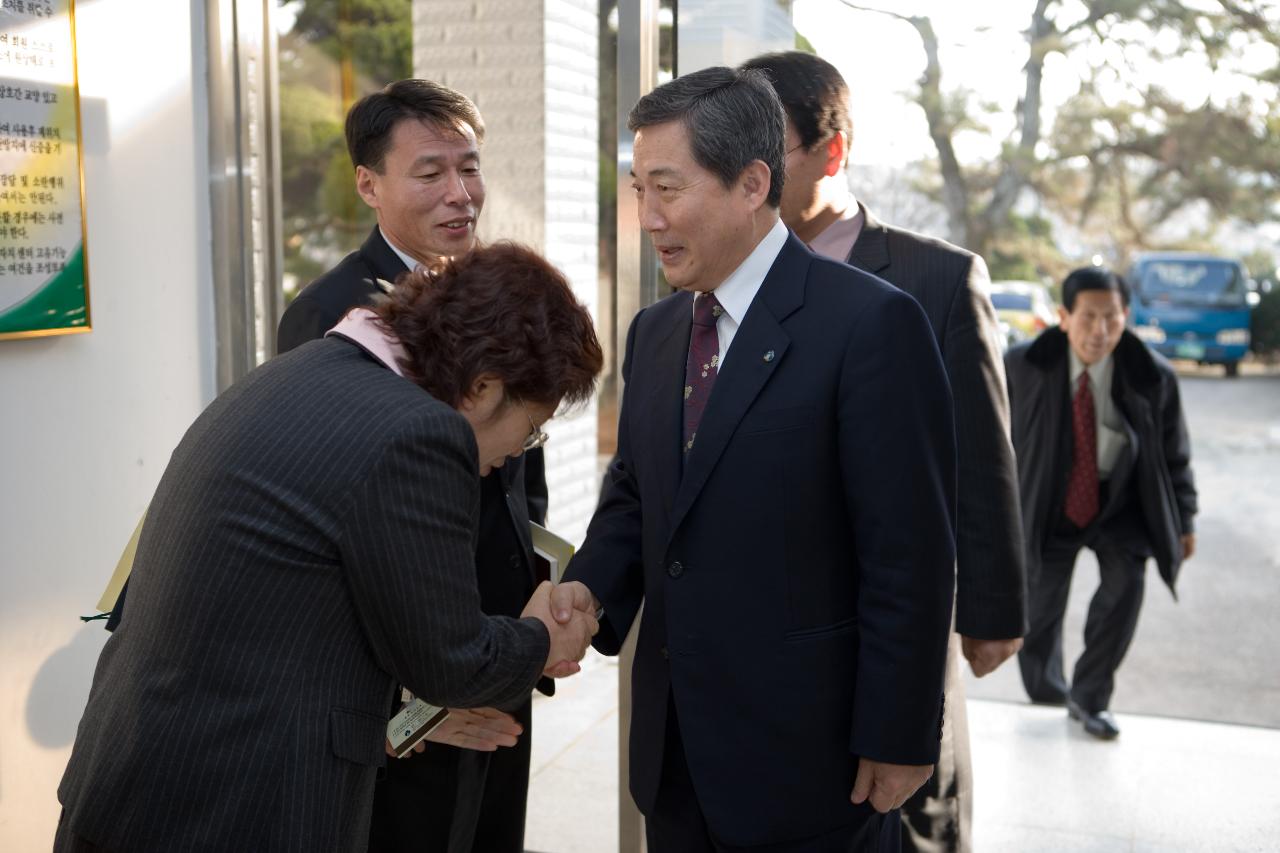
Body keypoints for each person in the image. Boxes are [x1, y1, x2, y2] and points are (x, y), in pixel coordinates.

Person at [54, 243, 604, 853]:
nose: (514, 455)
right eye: (529, 431)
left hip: (139, 784)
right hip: (228, 812)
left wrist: (400, 722)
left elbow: (293, 618)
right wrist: (543, 637)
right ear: (481, 386)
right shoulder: (419, 431)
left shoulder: (304, 372)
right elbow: (454, 663)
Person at [561, 67, 957, 851]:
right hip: (675, 758)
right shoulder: (657, 331)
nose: (648, 217)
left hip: (811, 764)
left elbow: (908, 554)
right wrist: (587, 593)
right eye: (639, 189)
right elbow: (639, 493)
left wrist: (900, 732)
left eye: (667, 189)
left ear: (752, 183)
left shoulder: (871, 326)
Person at [740, 51, 1026, 853]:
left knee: (915, 806)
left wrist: (994, 608)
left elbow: (981, 451)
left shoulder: (935, 277)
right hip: (775, 613)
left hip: (895, 602)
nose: (744, 171)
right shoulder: (726, 276)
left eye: (767, 148)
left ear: (831, 152)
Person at [277, 79, 548, 852]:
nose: (461, 193)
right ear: (369, 184)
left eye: (470, 167)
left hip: (493, 661)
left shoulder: (489, 293)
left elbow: (518, 477)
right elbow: (323, 539)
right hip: (405, 697)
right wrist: (408, 699)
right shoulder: (332, 316)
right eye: (431, 172)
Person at [1007, 266, 1197, 739]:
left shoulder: (1152, 375)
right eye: (1088, 317)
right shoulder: (1022, 367)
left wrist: (1185, 520)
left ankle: (1090, 699)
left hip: (1121, 504)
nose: (1100, 331)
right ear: (1063, 317)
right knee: (1039, 610)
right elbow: (986, 445)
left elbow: (1175, 455)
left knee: (1125, 589)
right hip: (1049, 504)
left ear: (1126, 316)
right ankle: (1050, 695)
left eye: (1112, 317)